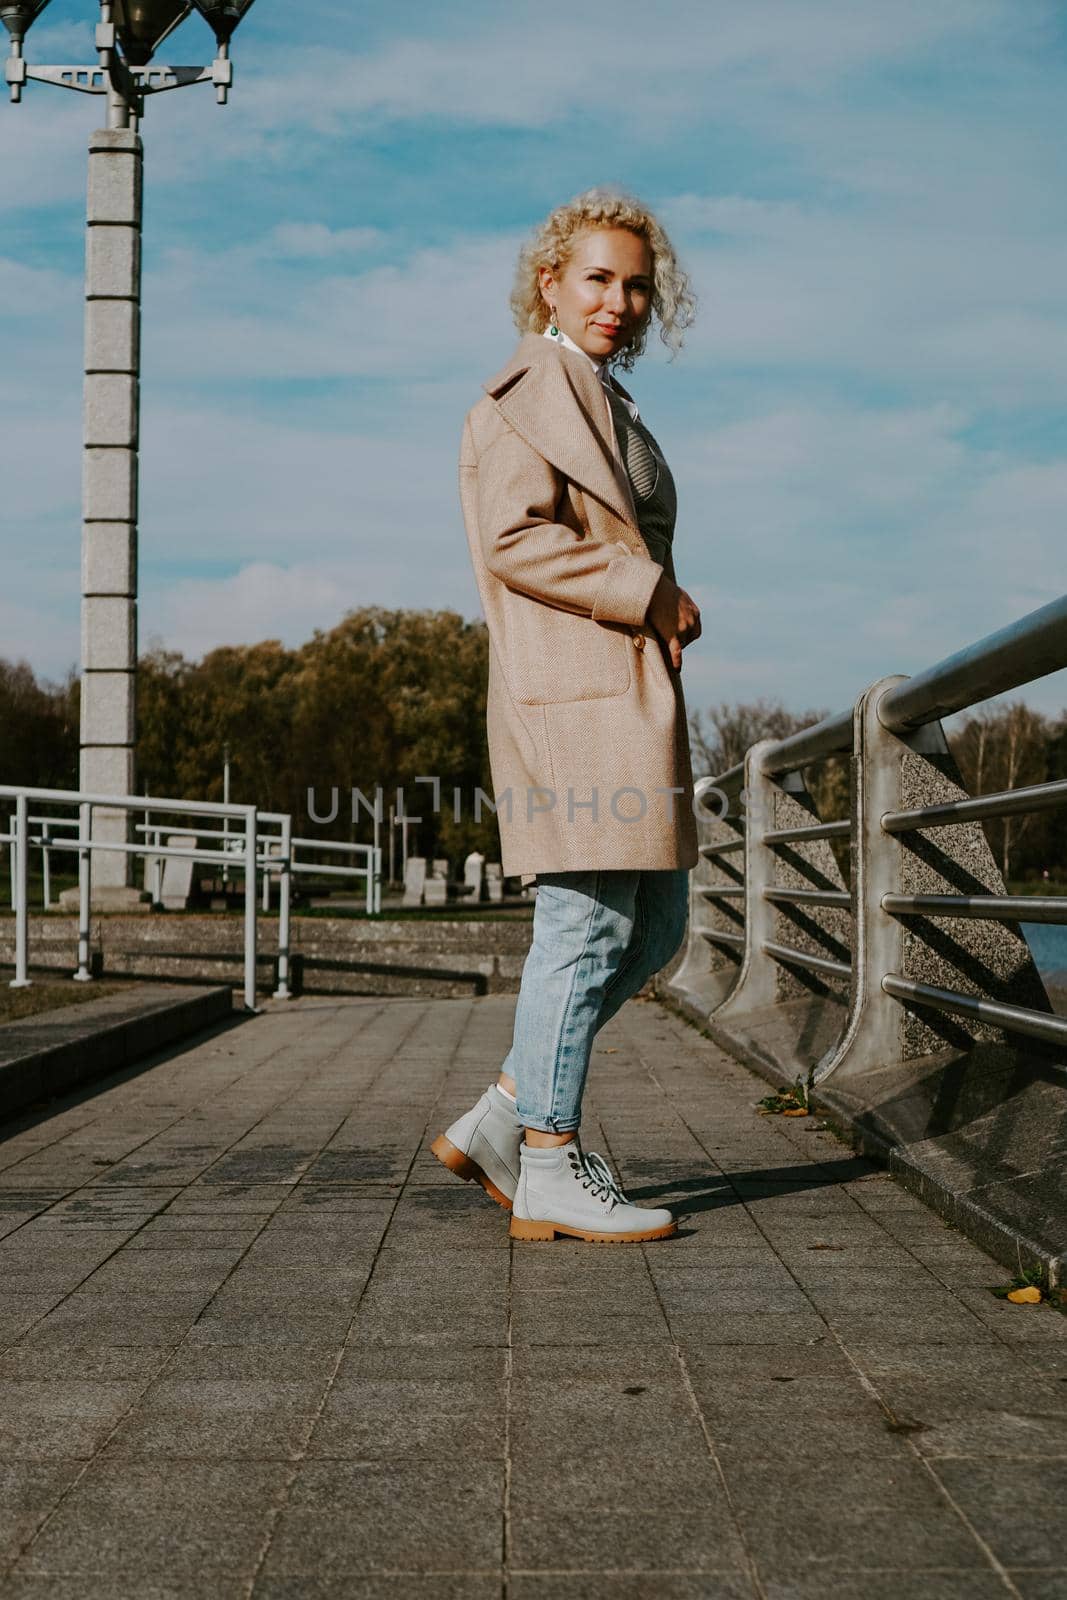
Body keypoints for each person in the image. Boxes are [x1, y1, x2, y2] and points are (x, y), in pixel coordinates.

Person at [431, 188, 702, 1243]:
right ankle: (544, 1155)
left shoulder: (594, 392)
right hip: (574, 693)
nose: (620, 301)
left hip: (620, 692)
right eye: (597, 277)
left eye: (636, 285)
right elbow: (512, 538)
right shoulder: (532, 382)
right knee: (584, 924)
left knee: (659, 924)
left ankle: (503, 1116)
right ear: (549, 280)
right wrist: (645, 594)